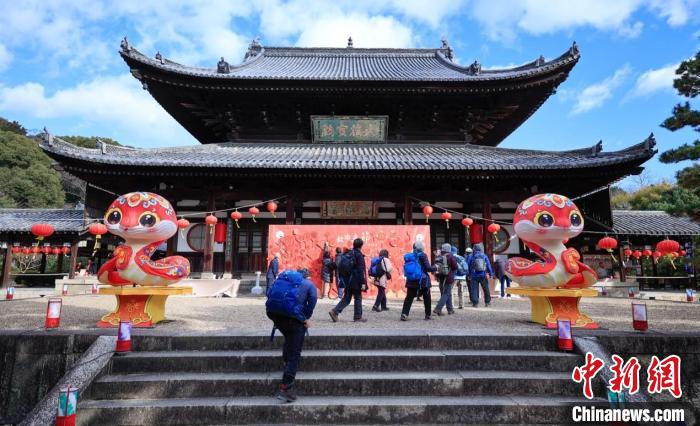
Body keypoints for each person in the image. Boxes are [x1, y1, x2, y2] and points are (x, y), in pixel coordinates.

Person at [265, 268, 317, 402]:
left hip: (275, 316)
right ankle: (286, 388)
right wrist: (304, 318)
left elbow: (270, 294)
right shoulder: (310, 285)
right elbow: (311, 305)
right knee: (295, 353)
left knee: (289, 339)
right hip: (293, 320)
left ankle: (286, 364)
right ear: (308, 277)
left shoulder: (284, 281)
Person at [329, 238, 368, 322]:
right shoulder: (358, 255)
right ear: (361, 246)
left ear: (353, 244)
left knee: (347, 298)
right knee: (358, 297)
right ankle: (358, 317)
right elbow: (360, 270)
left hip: (347, 280)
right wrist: (363, 283)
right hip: (356, 280)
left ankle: (335, 311)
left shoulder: (349, 253)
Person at [401, 241, 437, 321]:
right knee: (427, 297)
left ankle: (404, 314)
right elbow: (428, 268)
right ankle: (428, 315)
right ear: (421, 247)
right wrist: (435, 267)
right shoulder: (423, 255)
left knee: (409, 298)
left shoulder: (409, 256)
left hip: (411, 280)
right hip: (422, 281)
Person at [433, 243, 459, 316]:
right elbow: (455, 266)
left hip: (440, 277)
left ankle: (450, 310)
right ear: (449, 249)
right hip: (448, 277)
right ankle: (438, 309)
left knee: (447, 293)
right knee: (446, 293)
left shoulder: (439, 256)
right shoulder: (450, 256)